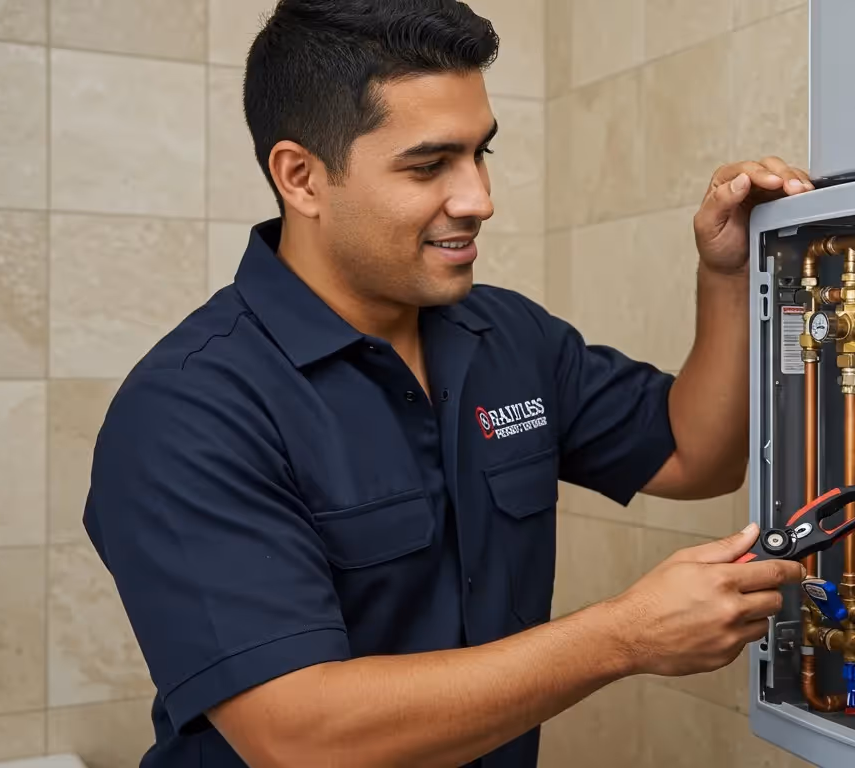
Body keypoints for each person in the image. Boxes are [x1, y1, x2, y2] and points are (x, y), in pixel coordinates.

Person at [83, 1, 816, 766]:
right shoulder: (189, 409)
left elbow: (698, 456)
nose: (478, 199)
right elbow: (297, 735)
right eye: (429, 166)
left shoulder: (505, 336)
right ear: (301, 177)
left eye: (480, 154)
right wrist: (623, 636)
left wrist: (729, 275)